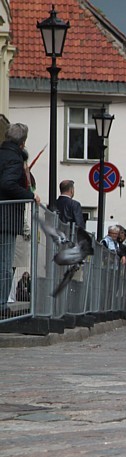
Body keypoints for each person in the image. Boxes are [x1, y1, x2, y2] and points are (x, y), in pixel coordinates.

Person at [0, 123, 41, 316]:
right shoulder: (15, 160)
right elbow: (7, 184)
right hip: (5, 220)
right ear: (22, 143)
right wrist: (29, 195)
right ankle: (1, 307)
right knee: (5, 266)